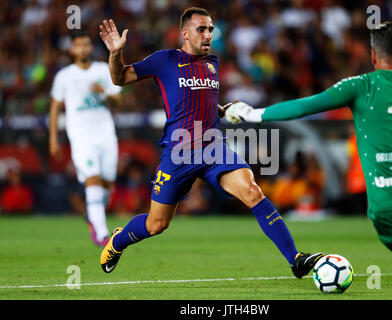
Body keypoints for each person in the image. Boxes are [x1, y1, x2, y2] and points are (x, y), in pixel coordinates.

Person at [98, 7, 323, 277]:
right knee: (157, 224)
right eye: (201, 29)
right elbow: (119, 77)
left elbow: (200, 97)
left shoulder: (212, 63)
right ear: (184, 33)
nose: (208, 35)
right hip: (179, 152)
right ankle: (118, 241)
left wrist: (221, 109)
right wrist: (115, 53)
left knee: (252, 191)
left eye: (211, 29)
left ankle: (295, 259)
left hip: (213, 147)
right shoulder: (165, 60)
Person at [226, 21, 392, 279]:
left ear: (373, 56)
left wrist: (253, 114)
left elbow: (308, 105)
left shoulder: (359, 86)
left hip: (388, 200)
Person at [49, 31, 122, 246]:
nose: (83, 49)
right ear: (72, 50)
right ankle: (101, 234)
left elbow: (118, 102)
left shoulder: (103, 70)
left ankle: (93, 214)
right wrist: (53, 138)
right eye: (78, 45)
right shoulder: (64, 75)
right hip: (81, 136)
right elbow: (54, 107)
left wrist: (104, 93)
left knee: (107, 182)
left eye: (86, 45)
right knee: (92, 177)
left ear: (91, 48)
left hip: (106, 133)